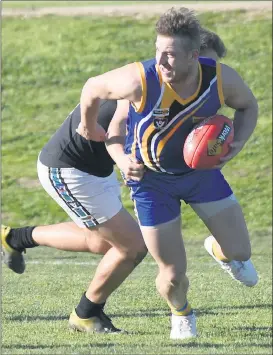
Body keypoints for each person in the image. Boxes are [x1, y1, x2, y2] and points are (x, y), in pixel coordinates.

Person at [1, 25, 235, 336]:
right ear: (186, 57)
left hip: (97, 169)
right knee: (132, 246)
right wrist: (126, 160)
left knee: (103, 242)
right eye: (206, 66)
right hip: (69, 169)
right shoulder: (147, 86)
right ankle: (87, 314)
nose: (210, 76)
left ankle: (15, 238)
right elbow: (117, 128)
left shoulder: (184, 87)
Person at [75, 7, 259, 340]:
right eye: (158, 51)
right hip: (151, 183)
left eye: (171, 55)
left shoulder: (220, 78)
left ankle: (220, 250)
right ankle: (181, 313)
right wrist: (98, 136)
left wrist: (239, 142)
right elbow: (92, 87)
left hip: (200, 174)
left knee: (242, 254)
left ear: (193, 55)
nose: (162, 61)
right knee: (173, 274)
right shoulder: (139, 79)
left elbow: (248, 105)